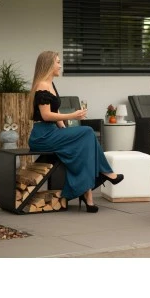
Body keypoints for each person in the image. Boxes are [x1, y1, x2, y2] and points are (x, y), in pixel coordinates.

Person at [28, 51, 124, 213]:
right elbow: (46, 115)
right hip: (42, 136)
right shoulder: (42, 85)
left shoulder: (51, 84)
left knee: (84, 142)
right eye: (58, 62)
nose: (60, 65)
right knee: (87, 131)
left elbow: (55, 111)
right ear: (49, 65)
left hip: (53, 132)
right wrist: (72, 115)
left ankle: (88, 194)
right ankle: (105, 173)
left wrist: (66, 132)